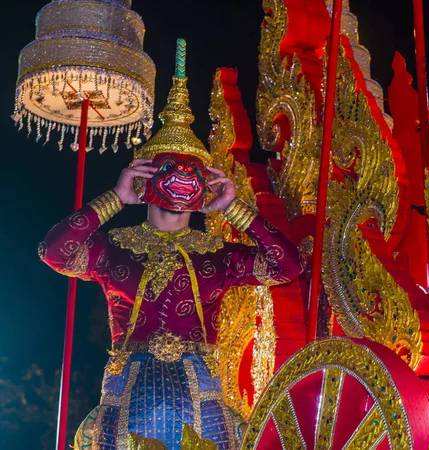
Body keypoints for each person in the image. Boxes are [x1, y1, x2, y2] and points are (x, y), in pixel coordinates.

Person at [39, 40, 303, 450]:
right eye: (167, 168)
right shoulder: (115, 249)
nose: (181, 177)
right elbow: (53, 251)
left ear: (205, 184)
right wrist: (116, 198)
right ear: (143, 177)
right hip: (128, 395)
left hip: (201, 398)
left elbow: (288, 267)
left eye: (192, 171)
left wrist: (234, 209)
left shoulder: (216, 254)